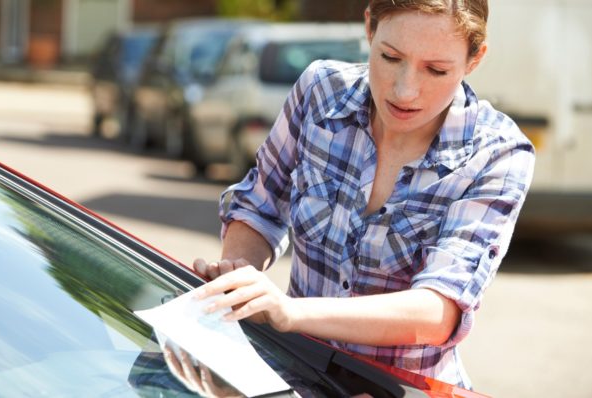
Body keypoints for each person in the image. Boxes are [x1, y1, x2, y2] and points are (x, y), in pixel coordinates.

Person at [193, 0, 535, 389]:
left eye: (436, 70)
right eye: (390, 58)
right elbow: (260, 202)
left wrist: (290, 312)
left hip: (403, 389)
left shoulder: (499, 153)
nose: (405, 89)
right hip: (294, 375)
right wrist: (238, 279)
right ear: (370, 27)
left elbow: (438, 310)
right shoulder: (319, 93)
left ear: (474, 59)